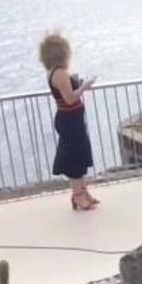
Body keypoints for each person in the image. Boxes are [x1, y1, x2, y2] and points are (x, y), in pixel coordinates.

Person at [39, 33, 98, 210]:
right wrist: (84, 86)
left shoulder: (54, 72)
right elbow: (70, 98)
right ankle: (78, 196)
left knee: (79, 155)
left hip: (72, 119)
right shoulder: (59, 73)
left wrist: (77, 83)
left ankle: (83, 192)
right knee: (74, 158)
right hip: (70, 120)